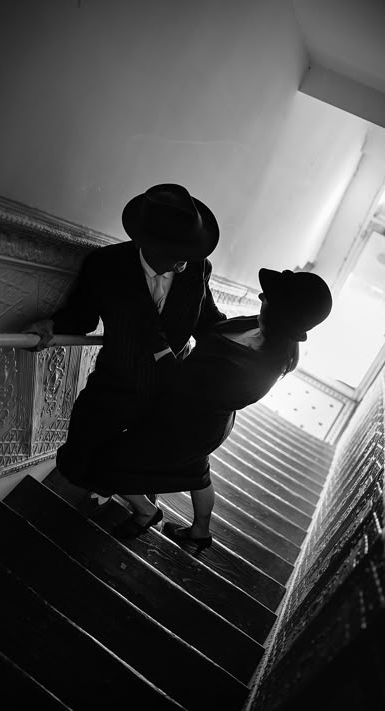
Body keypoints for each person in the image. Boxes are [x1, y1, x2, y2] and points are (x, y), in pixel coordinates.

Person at [74, 267, 333, 548]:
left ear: (281, 316)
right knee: (196, 474)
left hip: (188, 428)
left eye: (268, 297)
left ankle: (146, 512)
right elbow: (213, 328)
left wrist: (156, 341)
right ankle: (200, 531)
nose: (260, 295)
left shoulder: (256, 371)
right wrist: (198, 277)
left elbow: (178, 382)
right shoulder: (259, 328)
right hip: (205, 421)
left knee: (107, 461)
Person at [24, 183, 226, 514]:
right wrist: (50, 326)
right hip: (117, 380)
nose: (186, 261)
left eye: (190, 251)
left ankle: (145, 508)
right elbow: (82, 316)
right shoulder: (105, 266)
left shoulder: (197, 268)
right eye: (179, 252)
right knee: (79, 455)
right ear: (147, 244)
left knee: (147, 458)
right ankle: (119, 493)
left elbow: (207, 320)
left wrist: (249, 342)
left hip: (169, 387)